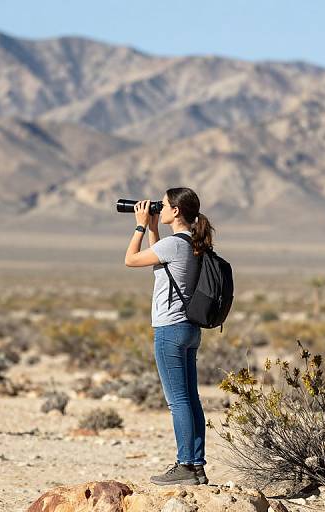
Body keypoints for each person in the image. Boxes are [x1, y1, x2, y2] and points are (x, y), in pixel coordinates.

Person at [124, 187, 214, 486]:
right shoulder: (192, 242)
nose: (157, 209)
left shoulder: (176, 244)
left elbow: (131, 260)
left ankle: (185, 465)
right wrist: (153, 229)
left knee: (178, 402)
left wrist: (139, 224)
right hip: (189, 329)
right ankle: (196, 466)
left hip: (169, 330)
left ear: (176, 211)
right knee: (191, 399)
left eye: (161, 206)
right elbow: (161, 263)